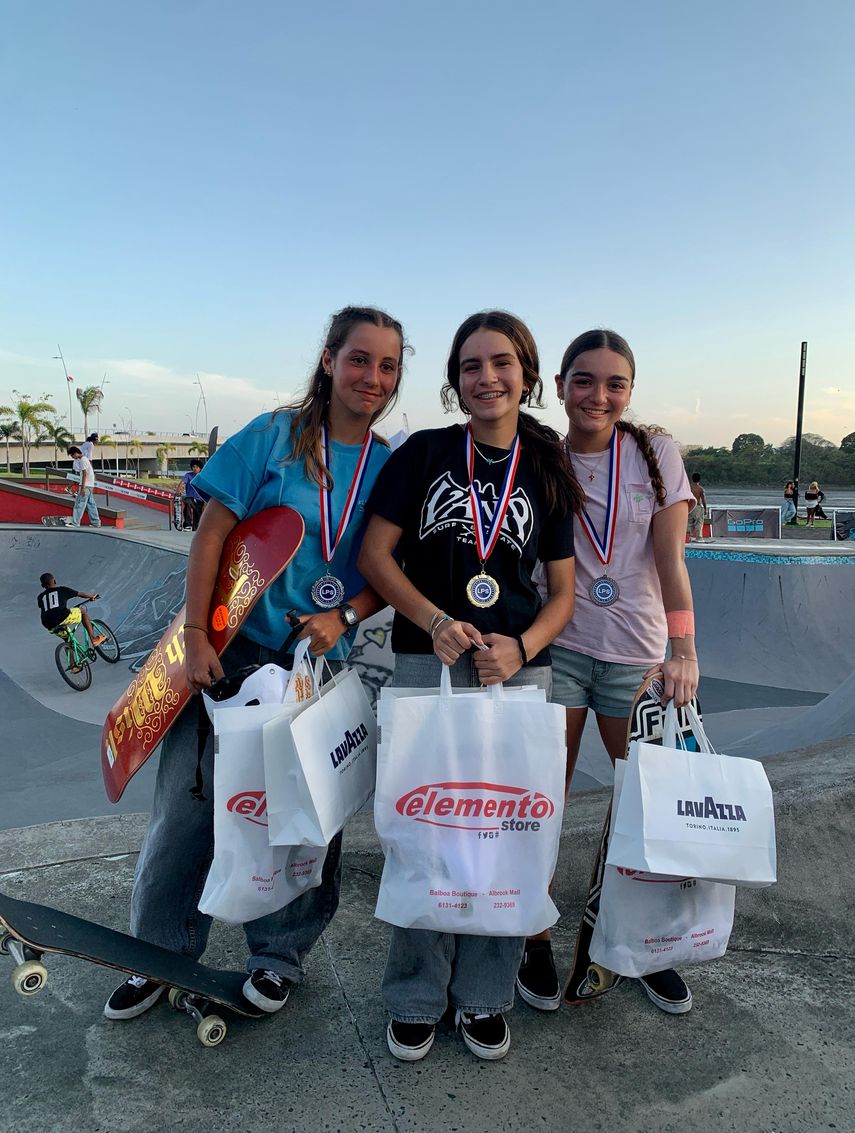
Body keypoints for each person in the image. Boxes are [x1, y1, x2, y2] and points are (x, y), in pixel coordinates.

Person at [103, 305, 408, 1021]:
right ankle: (159, 952)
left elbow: (390, 565)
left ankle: (278, 956)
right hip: (231, 649)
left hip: (316, 660)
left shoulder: (389, 466)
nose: (372, 376)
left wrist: (348, 616)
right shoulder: (273, 437)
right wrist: (200, 637)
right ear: (329, 360)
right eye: (359, 359)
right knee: (191, 807)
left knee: (306, 814)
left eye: (388, 365)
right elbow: (213, 532)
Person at [358, 310, 580, 1062]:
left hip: (516, 669)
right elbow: (376, 558)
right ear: (454, 382)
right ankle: (416, 996)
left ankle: (484, 995)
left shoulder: (545, 464)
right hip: (429, 663)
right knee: (426, 835)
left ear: (526, 373)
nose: (486, 377)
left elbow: (561, 595)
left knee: (504, 835)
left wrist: (522, 646)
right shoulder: (422, 453)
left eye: (501, 363)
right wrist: (432, 617)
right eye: (470, 366)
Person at [517, 328, 700, 1018]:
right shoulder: (539, 455)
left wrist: (682, 653)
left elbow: (671, 563)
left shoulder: (653, 454)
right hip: (558, 648)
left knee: (641, 811)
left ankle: (631, 943)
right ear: (559, 386)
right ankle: (533, 935)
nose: (598, 395)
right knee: (542, 801)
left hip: (638, 656)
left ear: (629, 391)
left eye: (613, 383)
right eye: (584, 380)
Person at [36, 573, 106, 653]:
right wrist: (91, 596)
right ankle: (93, 638)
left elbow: (49, 607)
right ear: (54, 581)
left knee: (67, 640)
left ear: (42, 585)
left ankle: (73, 664)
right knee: (82, 611)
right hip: (62, 616)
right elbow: (80, 594)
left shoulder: (40, 597)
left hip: (48, 624)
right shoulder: (62, 590)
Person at [66, 445, 101, 528]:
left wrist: (82, 488)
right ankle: (96, 522)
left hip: (85, 485)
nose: (72, 457)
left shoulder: (82, 460)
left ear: (75, 453)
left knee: (79, 504)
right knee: (91, 505)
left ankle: (75, 523)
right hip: (90, 485)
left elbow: (84, 474)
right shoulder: (86, 459)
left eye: (72, 455)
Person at [178, 459, 210, 530]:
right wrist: (180, 488)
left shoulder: (203, 477)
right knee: (188, 502)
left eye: (197, 467)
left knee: (197, 526)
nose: (194, 468)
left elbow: (207, 492)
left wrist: (205, 504)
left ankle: (195, 528)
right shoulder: (188, 475)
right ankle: (187, 525)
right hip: (191, 498)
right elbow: (183, 482)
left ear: (200, 468)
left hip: (200, 501)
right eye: (193, 467)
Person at [687, 472, 707, 541]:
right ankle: (699, 538)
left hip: (689, 507)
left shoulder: (688, 487)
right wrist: (705, 509)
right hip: (698, 507)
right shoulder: (701, 489)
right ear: (699, 480)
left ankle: (687, 538)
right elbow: (703, 500)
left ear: (692, 479)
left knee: (689, 523)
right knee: (699, 522)